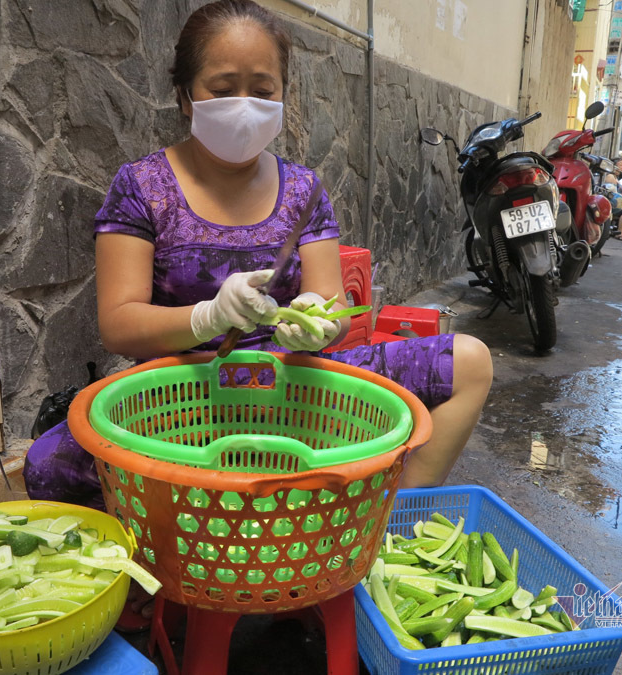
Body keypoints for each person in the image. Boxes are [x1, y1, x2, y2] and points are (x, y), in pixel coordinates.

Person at [24, 0, 493, 510]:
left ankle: (383, 520)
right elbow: (118, 323)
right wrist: (207, 317)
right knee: (48, 466)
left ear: (283, 96)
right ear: (184, 96)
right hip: (184, 395)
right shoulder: (141, 186)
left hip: (296, 384)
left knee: (468, 361)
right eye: (222, 90)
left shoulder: (304, 190)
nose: (244, 105)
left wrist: (318, 319)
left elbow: (333, 304)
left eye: (263, 91)